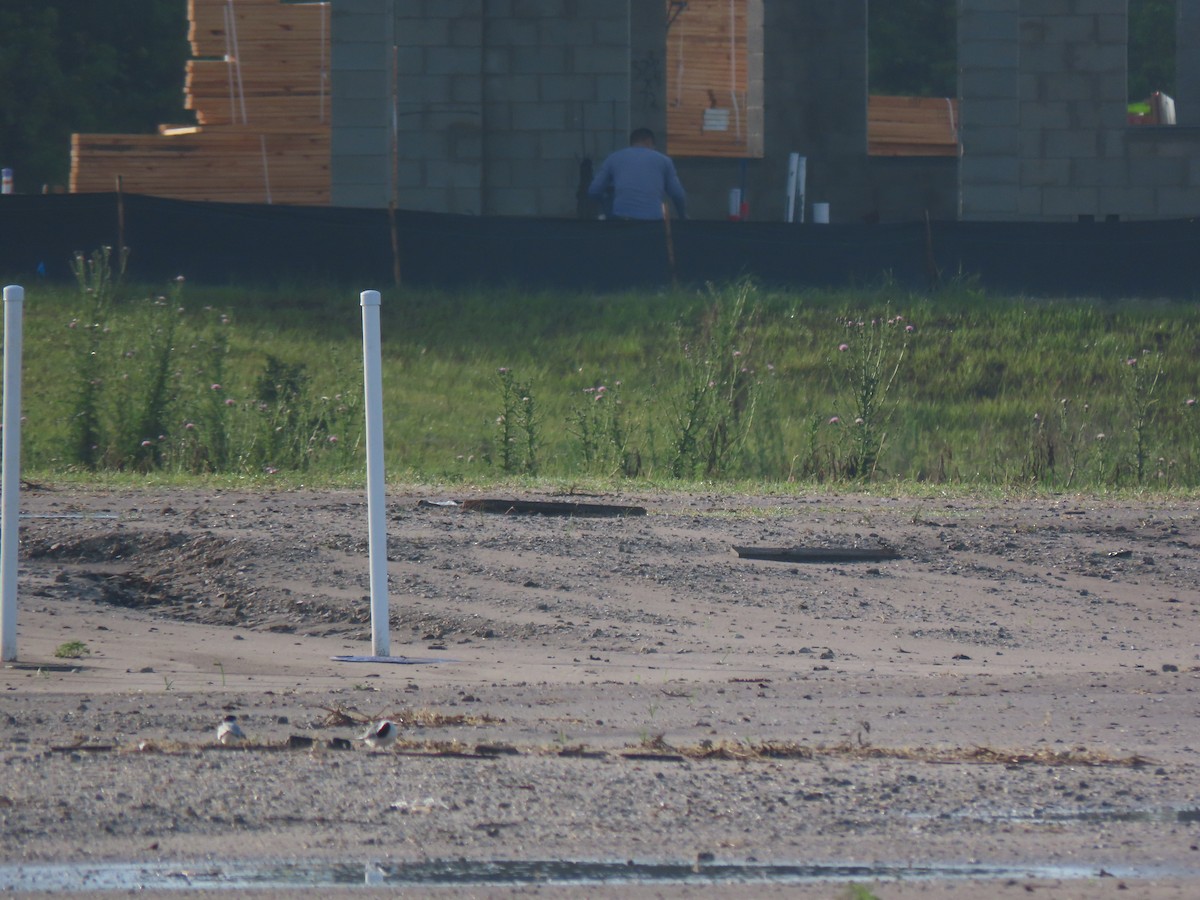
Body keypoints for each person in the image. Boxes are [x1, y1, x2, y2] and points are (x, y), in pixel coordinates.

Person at [588, 128, 687, 221]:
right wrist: (682, 217)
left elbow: (594, 190)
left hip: (621, 220)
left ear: (631, 143)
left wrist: (607, 211)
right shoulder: (664, 161)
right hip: (653, 221)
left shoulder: (613, 158)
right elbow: (677, 194)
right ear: (649, 142)